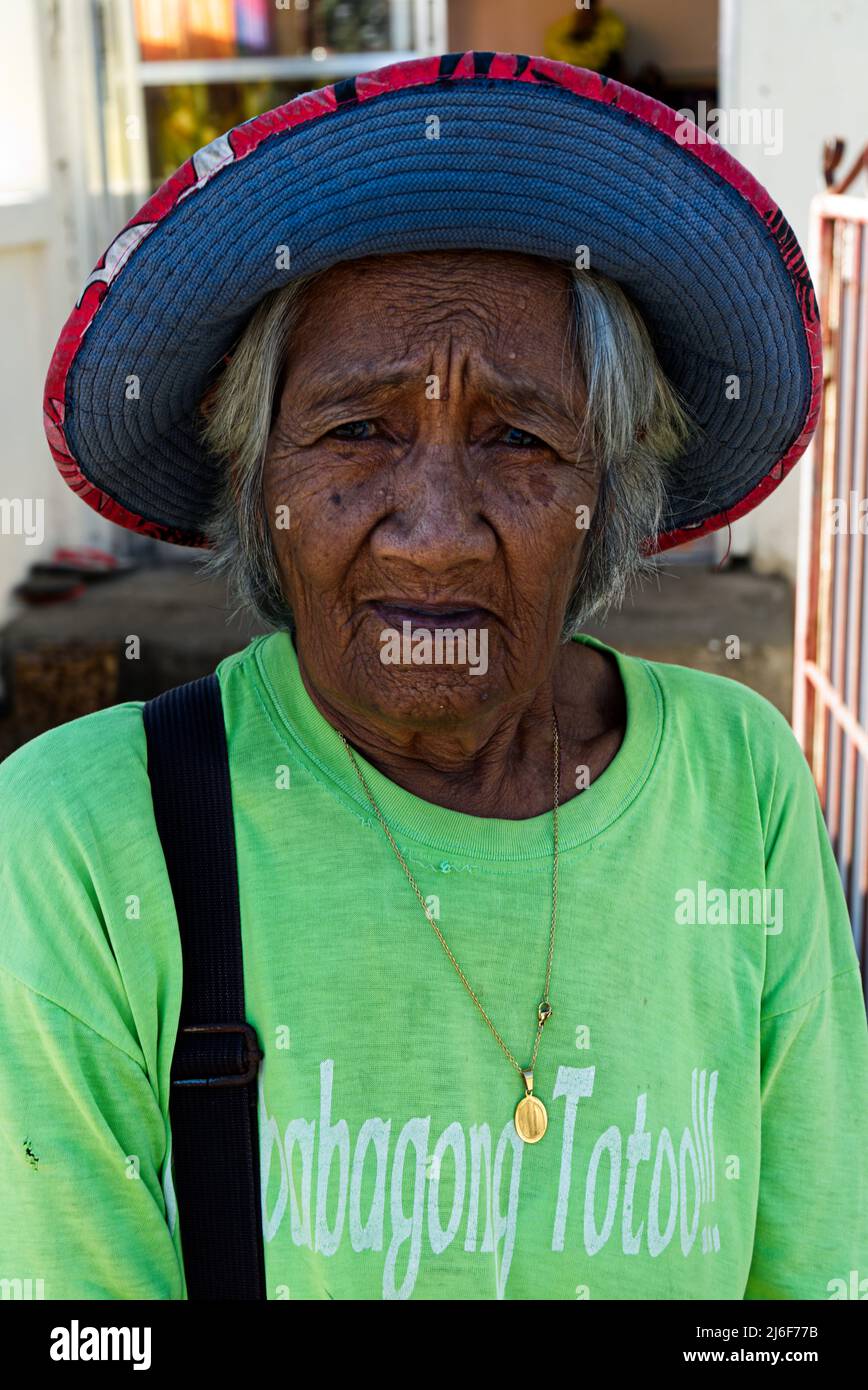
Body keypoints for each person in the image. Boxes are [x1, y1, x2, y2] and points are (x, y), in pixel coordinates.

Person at [2, 50, 866, 1301]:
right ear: (257, 478)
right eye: (356, 430)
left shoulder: (743, 788)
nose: (435, 530)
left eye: (519, 438)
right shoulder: (79, 847)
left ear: (606, 498)